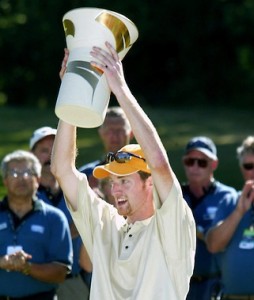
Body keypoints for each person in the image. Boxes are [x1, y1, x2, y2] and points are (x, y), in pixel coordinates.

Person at [51, 41, 196, 300]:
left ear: (149, 183)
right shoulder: (106, 223)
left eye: (124, 181)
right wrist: (71, 95)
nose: (114, 189)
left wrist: (120, 89)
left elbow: (160, 165)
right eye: (113, 181)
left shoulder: (171, 225)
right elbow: (62, 169)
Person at [0, 150, 72, 299]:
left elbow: (60, 273)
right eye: (14, 173)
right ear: (5, 180)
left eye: (28, 172)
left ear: (38, 179)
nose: (21, 178)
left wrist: (26, 267)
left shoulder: (54, 218)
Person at [29, 126, 91, 299]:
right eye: (44, 150)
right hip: (34, 282)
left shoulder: (79, 191)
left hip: (74, 282)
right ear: (31, 155)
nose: (50, 155)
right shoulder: (22, 195)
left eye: (56, 149)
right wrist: (76, 227)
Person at [181, 136, 237, 300]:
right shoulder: (175, 197)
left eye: (202, 162)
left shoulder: (228, 197)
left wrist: (201, 232)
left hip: (215, 283)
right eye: (190, 161)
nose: (195, 167)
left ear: (214, 164)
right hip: (180, 284)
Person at [206, 136, 254, 299]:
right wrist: (239, 212)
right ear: (242, 169)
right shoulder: (230, 201)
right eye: (249, 166)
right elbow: (213, 245)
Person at [79, 105, 133, 205]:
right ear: (101, 133)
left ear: (131, 133)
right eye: (110, 130)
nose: (115, 136)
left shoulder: (144, 172)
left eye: (120, 130)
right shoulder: (85, 175)